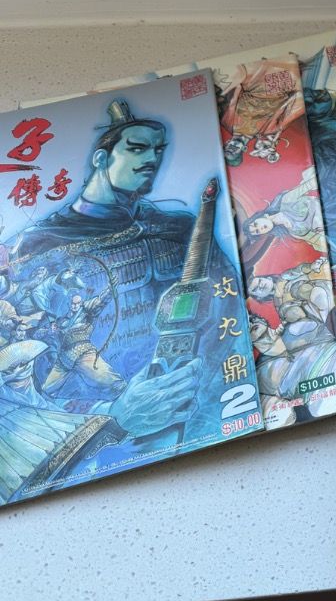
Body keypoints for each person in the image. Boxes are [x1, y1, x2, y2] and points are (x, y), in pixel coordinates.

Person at [9, 98, 215, 428]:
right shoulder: (35, 246)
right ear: (101, 157)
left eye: (158, 150)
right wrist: (112, 416)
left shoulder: (178, 229)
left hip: (193, 402)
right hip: (91, 426)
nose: (152, 159)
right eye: (137, 148)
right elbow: (15, 381)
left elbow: (226, 317)